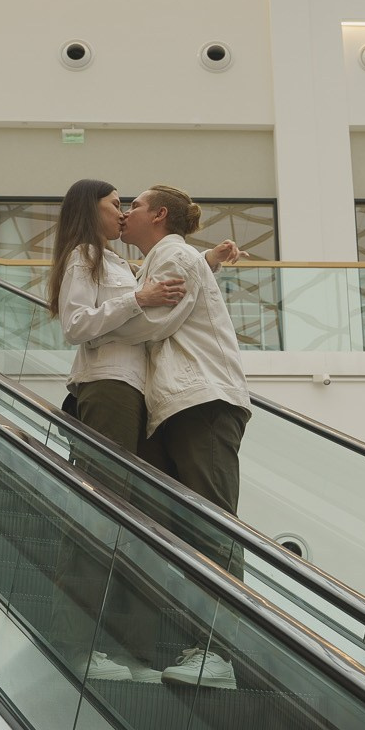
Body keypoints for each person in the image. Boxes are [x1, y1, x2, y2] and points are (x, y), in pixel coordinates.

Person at [46, 177, 233, 683]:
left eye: (130, 205)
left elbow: (163, 294)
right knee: (101, 505)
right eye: (114, 204)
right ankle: (75, 641)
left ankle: (132, 645)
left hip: (136, 395)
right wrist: (141, 298)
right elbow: (79, 323)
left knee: (138, 512)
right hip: (107, 386)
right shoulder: (85, 254)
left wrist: (204, 265)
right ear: (92, 210)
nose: (123, 212)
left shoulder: (118, 261)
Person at [107, 184, 252, 690]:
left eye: (135, 206)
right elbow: (184, 286)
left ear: (159, 215)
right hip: (183, 403)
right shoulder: (170, 257)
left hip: (202, 400)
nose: (126, 214)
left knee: (212, 522)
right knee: (190, 523)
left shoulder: (172, 254)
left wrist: (96, 322)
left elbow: (152, 321)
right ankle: (196, 647)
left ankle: (220, 653)